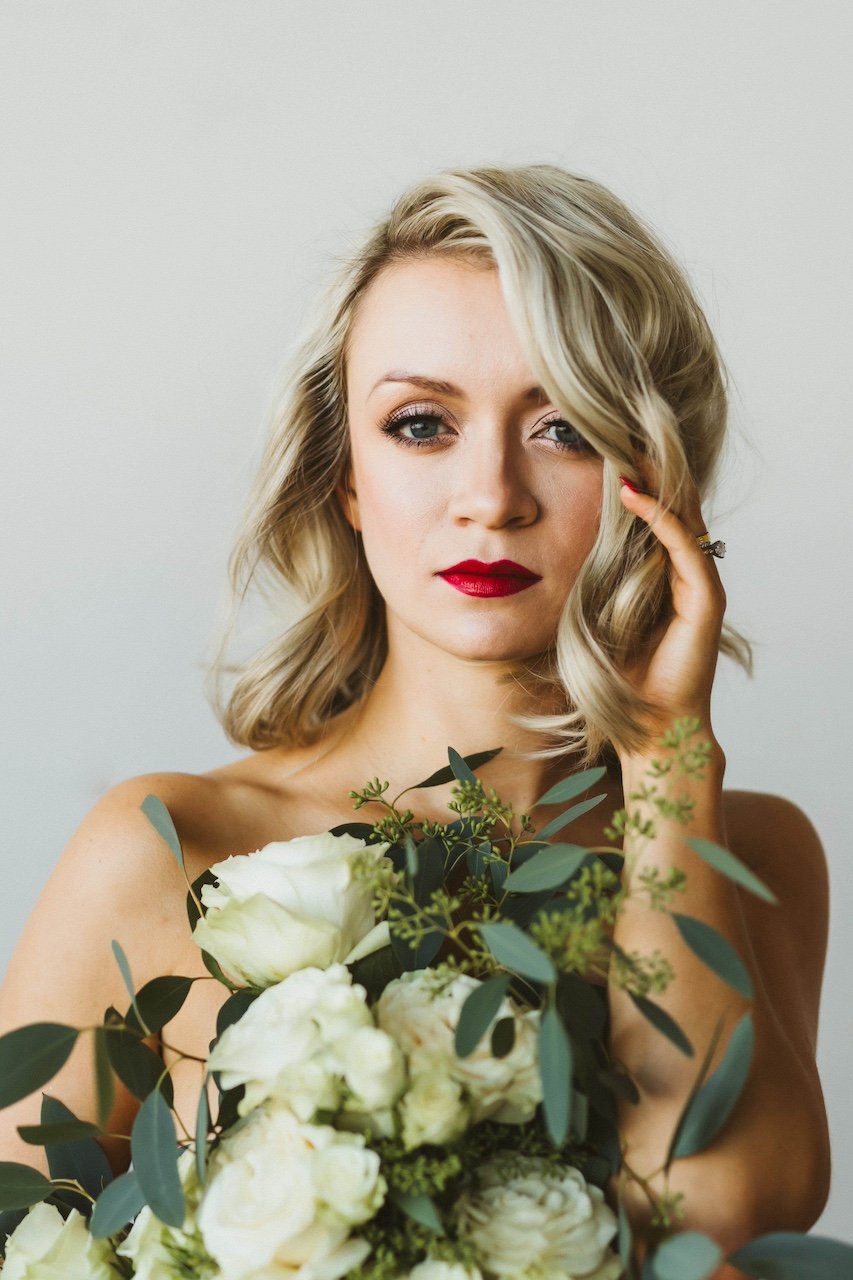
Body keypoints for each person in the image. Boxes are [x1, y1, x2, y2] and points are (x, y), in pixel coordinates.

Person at [0, 164, 831, 1273]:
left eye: (564, 428)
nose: (491, 493)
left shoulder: (746, 844)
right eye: (422, 422)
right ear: (346, 475)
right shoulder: (166, 846)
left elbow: (712, 1210)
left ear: (654, 474)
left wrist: (671, 762)